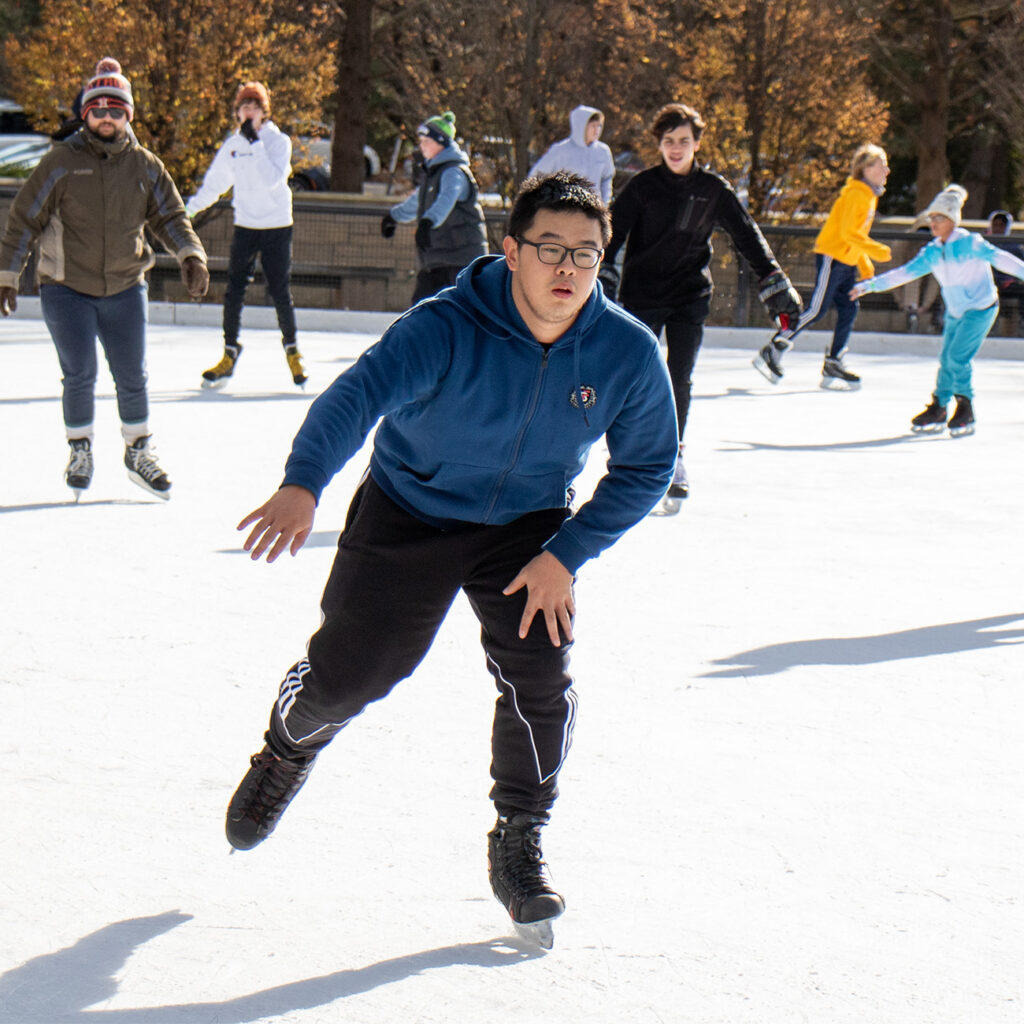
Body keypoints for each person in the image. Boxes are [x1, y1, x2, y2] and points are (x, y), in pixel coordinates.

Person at [225, 172, 677, 944]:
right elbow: (355, 398)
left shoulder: (624, 351)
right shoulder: (444, 327)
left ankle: (520, 837)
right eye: (550, 250)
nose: (568, 270)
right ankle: (288, 746)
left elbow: (647, 466)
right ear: (510, 249)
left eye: (587, 254)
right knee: (358, 672)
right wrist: (303, 483)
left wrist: (565, 554)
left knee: (541, 677)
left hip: (528, 527)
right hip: (413, 510)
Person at [0, 58, 209, 500]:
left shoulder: (145, 165)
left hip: (125, 286)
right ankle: (80, 449)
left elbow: (171, 216)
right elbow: (24, 220)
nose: (108, 117)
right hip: (65, 287)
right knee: (80, 374)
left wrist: (190, 254)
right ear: (86, 114)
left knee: (132, 374)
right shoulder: (60, 161)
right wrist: (7, 274)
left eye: (117, 109)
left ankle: (138, 451)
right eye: (100, 109)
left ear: (128, 115)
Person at [600, 102, 802, 505]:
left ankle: (673, 455)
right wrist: (598, 274)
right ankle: (628, 449)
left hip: (690, 294)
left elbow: (747, 235)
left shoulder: (712, 189)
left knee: (679, 376)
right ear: (659, 143)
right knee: (634, 375)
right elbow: (610, 233)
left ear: (697, 144)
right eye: (669, 140)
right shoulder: (642, 187)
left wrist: (773, 279)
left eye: (684, 141)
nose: (676, 148)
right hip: (642, 295)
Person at [850, 185, 1024, 436]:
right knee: (946, 360)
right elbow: (904, 273)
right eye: (931, 218)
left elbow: (1003, 260)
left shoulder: (971, 243)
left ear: (952, 219)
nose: (933, 222)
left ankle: (965, 407)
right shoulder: (932, 252)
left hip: (980, 309)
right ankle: (940, 407)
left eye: (939, 218)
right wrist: (870, 286)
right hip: (956, 311)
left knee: (957, 358)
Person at [186, 81, 305, 389]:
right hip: (246, 226)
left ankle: (292, 350)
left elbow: (273, 179)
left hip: (277, 225)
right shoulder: (233, 146)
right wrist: (189, 211)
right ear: (237, 113)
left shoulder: (278, 142)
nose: (248, 112)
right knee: (234, 289)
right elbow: (215, 184)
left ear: (264, 112)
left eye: (254, 107)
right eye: (243, 107)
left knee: (279, 289)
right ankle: (229, 350)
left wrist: (255, 143)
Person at [754, 143, 891, 389]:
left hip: (846, 262)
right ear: (866, 168)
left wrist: (864, 262)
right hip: (832, 257)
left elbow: (855, 234)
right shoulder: (855, 194)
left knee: (849, 309)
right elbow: (848, 233)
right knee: (817, 310)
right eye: (882, 165)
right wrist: (874, 251)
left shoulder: (868, 196)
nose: (887, 170)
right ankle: (774, 347)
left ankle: (834, 362)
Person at [380, 111, 488, 303]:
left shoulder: (454, 172)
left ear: (441, 142)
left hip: (461, 259)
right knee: (421, 309)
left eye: (426, 141)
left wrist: (429, 222)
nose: (421, 145)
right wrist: (394, 217)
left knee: (461, 311)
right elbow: (417, 202)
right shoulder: (433, 174)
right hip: (438, 258)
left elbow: (447, 198)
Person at [528, 105, 615, 204]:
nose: (597, 130)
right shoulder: (561, 150)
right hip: (566, 210)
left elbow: (607, 179)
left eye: (599, 125)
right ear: (581, 126)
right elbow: (537, 175)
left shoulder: (603, 151)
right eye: (593, 126)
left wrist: (604, 204)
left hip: (592, 211)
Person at [985, 209, 1024, 335]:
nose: (998, 228)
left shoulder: (1014, 247)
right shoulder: (984, 245)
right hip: (988, 284)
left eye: (1001, 225)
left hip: (1010, 286)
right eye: (995, 225)